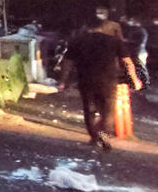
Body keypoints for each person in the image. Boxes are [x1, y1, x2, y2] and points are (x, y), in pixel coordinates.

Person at [61, 17, 142, 150]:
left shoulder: (78, 40)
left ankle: (94, 138)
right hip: (108, 80)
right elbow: (127, 62)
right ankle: (103, 136)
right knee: (108, 111)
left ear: (86, 26)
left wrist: (63, 80)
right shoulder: (114, 41)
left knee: (89, 109)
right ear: (104, 26)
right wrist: (134, 79)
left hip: (85, 79)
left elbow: (67, 62)